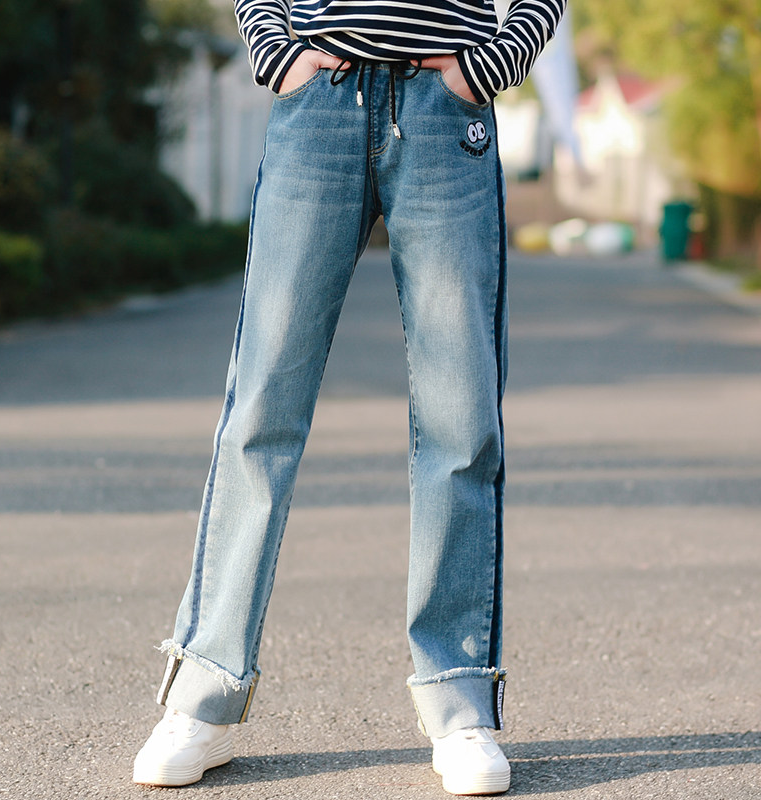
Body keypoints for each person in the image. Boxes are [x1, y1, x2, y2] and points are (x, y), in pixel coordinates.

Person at [133, 0, 566, 794]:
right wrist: (277, 51)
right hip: (319, 100)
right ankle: (204, 692)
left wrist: (491, 63)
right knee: (261, 410)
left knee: (460, 421)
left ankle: (459, 701)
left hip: (444, 108)